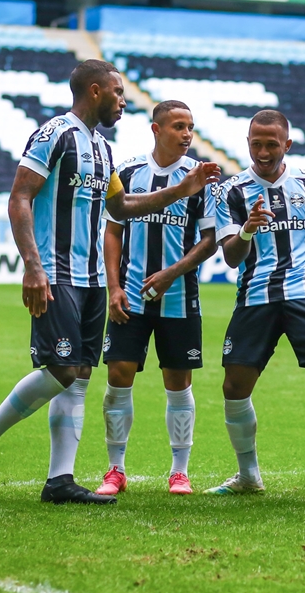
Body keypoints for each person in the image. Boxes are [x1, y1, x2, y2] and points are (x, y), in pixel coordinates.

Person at [0, 60, 220, 505]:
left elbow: (121, 208)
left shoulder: (103, 148)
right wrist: (33, 267)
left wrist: (181, 189)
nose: (123, 101)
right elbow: (19, 197)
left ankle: (59, 480)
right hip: (56, 273)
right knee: (61, 369)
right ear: (95, 91)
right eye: (118, 93)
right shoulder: (54, 134)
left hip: (93, 278)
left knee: (78, 376)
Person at [206, 109, 305, 504]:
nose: (262, 151)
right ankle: (248, 475)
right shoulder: (232, 191)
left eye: (271, 144)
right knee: (234, 386)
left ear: (287, 144)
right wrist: (247, 230)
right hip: (255, 297)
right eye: (255, 143)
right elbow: (229, 256)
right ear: (247, 143)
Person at [96, 101, 216, 497]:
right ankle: (115, 468)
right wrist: (113, 287)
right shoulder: (128, 172)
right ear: (156, 129)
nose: (186, 134)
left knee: (178, 382)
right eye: (178, 126)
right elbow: (112, 232)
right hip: (129, 296)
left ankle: (179, 471)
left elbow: (210, 240)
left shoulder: (199, 178)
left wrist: (170, 274)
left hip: (179, 296)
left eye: (190, 127)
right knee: (118, 377)